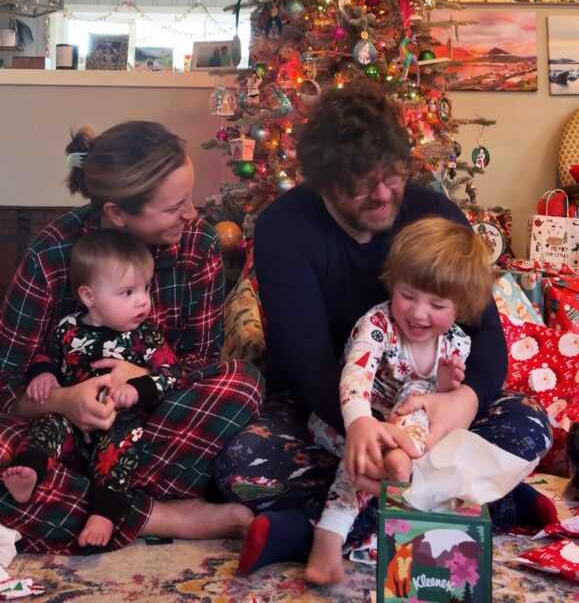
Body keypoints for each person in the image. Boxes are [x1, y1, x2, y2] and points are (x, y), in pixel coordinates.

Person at [213, 80, 553, 576]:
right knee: (243, 465)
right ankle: (480, 499)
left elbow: (486, 337)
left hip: (429, 407)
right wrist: (368, 428)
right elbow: (306, 361)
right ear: (325, 180)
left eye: (392, 176)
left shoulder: (436, 215)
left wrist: (463, 403)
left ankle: (304, 529)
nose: (381, 194)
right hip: (330, 408)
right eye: (360, 183)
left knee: (529, 424)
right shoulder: (285, 227)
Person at [0, 121, 264, 553]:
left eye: (190, 198)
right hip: (55, 431)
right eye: (174, 206)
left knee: (243, 382)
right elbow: (6, 386)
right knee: (16, 460)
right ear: (117, 213)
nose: (192, 214)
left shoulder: (197, 244)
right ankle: (160, 514)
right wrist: (67, 400)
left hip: (151, 430)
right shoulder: (50, 255)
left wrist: (140, 377)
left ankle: (80, 501)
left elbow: (200, 363)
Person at [305, 215, 493, 584]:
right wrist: (361, 423)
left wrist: (445, 382)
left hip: (412, 437)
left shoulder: (457, 343)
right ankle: (329, 536)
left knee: (422, 400)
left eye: (437, 305)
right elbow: (356, 374)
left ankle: (397, 466)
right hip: (348, 423)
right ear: (394, 284)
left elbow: (440, 406)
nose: (418, 313)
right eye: (407, 296)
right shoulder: (378, 324)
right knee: (371, 452)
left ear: (461, 306)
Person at [2, 229, 182, 549]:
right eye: (127, 292)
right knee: (47, 425)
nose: (142, 300)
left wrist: (139, 388)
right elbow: (47, 356)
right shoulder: (67, 328)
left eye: (146, 288)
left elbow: (171, 373)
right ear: (89, 297)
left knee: (122, 447)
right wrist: (43, 375)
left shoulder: (145, 336)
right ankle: (30, 469)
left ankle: (104, 512)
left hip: (119, 422)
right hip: (72, 421)